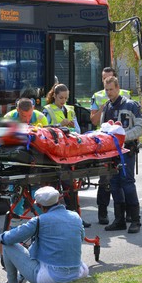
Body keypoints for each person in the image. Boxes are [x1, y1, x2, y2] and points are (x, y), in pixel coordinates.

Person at [0, 186, 89, 283]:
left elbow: (11, 238)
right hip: (79, 272)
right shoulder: (75, 216)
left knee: (7, 245)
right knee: (37, 249)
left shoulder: (39, 220)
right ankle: (19, 279)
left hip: (51, 277)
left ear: (38, 205)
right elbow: (81, 237)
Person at [101, 76, 142, 233]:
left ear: (118, 88)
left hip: (127, 151)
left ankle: (135, 221)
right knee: (114, 184)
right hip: (111, 153)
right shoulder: (106, 107)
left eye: (111, 89)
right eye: (106, 90)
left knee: (127, 183)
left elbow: (141, 128)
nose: (109, 93)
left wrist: (122, 137)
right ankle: (119, 220)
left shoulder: (132, 105)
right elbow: (102, 129)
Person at [43, 83, 89, 227]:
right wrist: (59, 125)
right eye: (61, 98)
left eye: (65, 98)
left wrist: (71, 126)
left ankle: (76, 219)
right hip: (53, 153)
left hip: (68, 152)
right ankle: (54, 221)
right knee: (54, 188)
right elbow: (43, 130)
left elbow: (77, 130)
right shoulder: (48, 110)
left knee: (70, 188)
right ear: (54, 96)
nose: (63, 101)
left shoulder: (70, 110)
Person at [89, 67, 131, 224]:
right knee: (105, 180)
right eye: (103, 78)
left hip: (123, 145)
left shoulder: (126, 95)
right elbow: (93, 120)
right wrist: (105, 105)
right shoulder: (98, 97)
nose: (105, 82)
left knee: (124, 179)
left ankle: (125, 213)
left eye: (109, 78)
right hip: (105, 146)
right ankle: (102, 212)